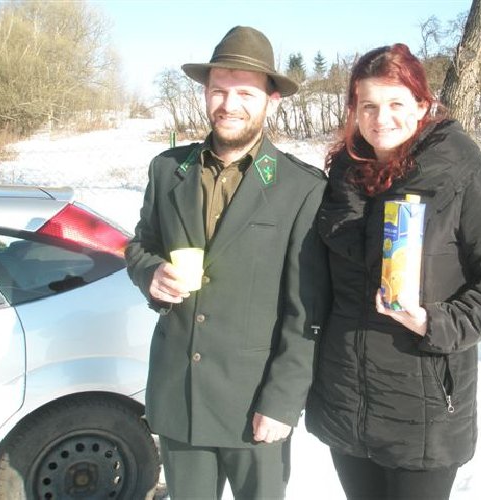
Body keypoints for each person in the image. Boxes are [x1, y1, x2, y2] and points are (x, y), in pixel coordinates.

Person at [305, 43, 481, 500]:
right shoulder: (342, 176)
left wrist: (436, 322)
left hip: (424, 410)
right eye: (368, 106)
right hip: (346, 400)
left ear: (422, 105)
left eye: (395, 103)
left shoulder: (457, 172)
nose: (381, 118)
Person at [126, 26, 329, 500]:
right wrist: (150, 274)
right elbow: (140, 245)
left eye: (244, 93)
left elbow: (307, 312)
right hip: (179, 396)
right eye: (218, 90)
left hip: (253, 405)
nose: (228, 104)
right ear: (205, 93)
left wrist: (282, 401)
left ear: (271, 101)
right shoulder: (167, 169)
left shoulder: (301, 188)